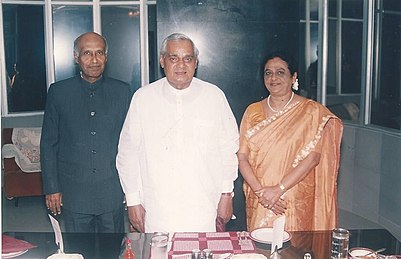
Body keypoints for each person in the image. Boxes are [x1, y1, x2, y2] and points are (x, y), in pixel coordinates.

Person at [116, 33, 239, 233]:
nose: (181, 65)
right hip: (157, 209)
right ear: (162, 61)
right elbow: (127, 153)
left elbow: (228, 149)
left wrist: (227, 194)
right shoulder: (143, 98)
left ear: (196, 63)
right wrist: (132, 201)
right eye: (174, 58)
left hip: (204, 206)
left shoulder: (214, 96)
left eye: (188, 58)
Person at [238, 51, 343, 231]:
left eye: (280, 72)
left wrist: (278, 190)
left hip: (292, 195)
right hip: (260, 196)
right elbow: (242, 156)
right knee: (261, 247)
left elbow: (313, 158)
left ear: (293, 76)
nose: (273, 78)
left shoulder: (311, 112)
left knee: (295, 250)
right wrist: (262, 192)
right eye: (268, 73)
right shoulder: (252, 111)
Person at [40, 32, 132, 233]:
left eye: (99, 53)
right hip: (74, 193)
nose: (94, 60)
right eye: (87, 53)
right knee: (79, 252)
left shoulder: (122, 91)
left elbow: (132, 145)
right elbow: (48, 144)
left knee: (113, 251)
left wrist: (132, 190)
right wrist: (52, 187)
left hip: (112, 191)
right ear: (76, 57)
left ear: (106, 57)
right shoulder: (59, 92)